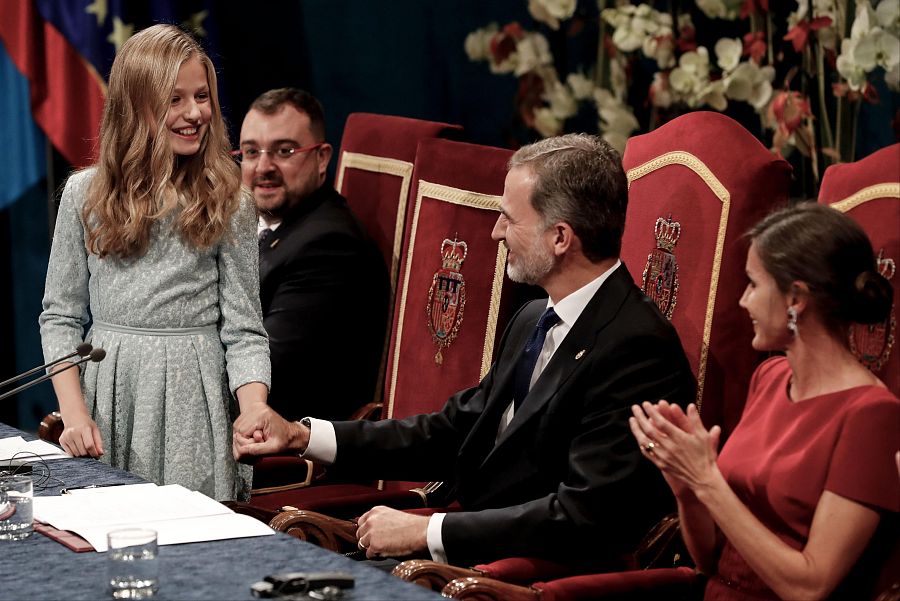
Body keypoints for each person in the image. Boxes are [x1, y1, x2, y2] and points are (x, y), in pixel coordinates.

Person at [233, 133, 696, 568]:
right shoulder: (535, 317)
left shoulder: (636, 348)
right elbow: (453, 432)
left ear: (560, 238)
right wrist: (301, 436)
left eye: (510, 219)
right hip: (468, 550)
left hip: (522, 574)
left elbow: (582, 516)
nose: (495, 233)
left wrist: (428, 531)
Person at [38, 25, 270, 502]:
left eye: (202, 96)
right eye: (174, 99)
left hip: (194, 404)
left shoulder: (230, 201)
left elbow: (244, 330)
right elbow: (60, 317)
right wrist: (76, 415)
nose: (195, 113)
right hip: (112, 400)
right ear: (135, 105)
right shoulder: (85, 194)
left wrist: (252, 409)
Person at [630, 202, 899, 600]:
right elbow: (711, 561)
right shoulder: (769, 379)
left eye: (754, 284)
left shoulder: (872, 415)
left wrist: (707, 481)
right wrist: (687, 487)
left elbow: (809, 585)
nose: (743, 301)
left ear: (796, 299)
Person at [238, 88, 389, 422]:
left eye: (284, 150)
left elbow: (265, 369)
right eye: (251, 152)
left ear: (322, 158)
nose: (263, 167)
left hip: (282, 444)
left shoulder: (329, 246)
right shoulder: (255, 223)